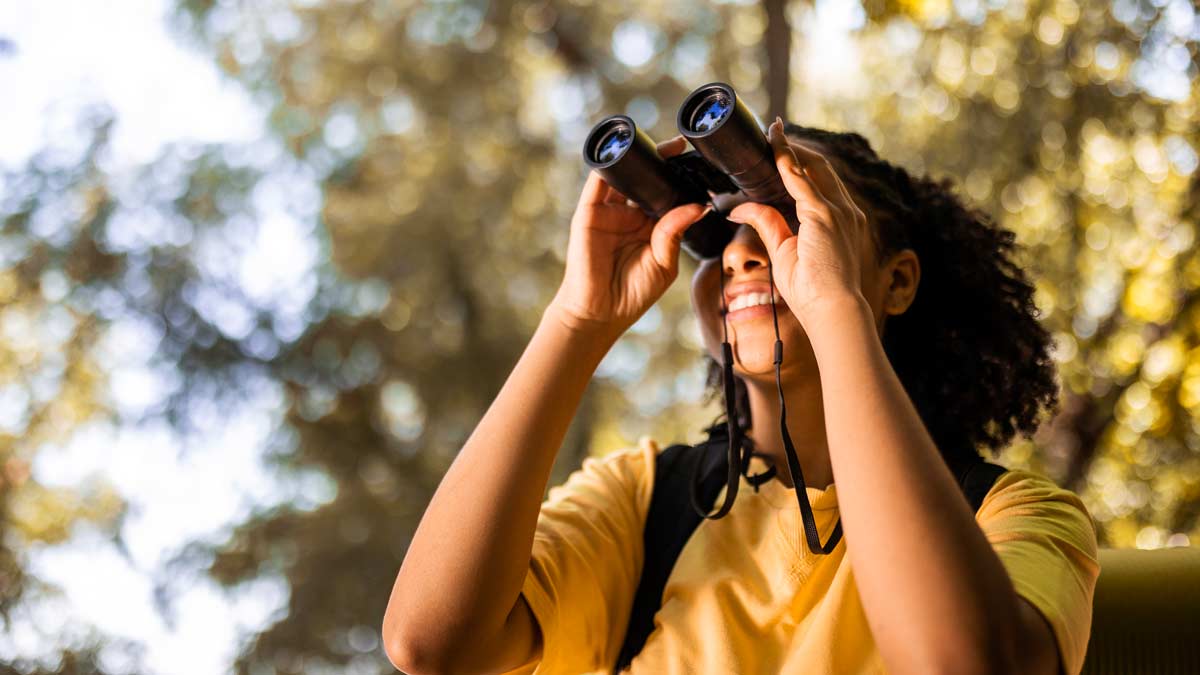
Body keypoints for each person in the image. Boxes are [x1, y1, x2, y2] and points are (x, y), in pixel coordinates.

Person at [382, 117, 1100, 675]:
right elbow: (430, 642)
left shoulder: (1015, 514)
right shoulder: (645, 497)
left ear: (898, 280)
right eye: (718, 232)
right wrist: (577, 321)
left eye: (786, 214)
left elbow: (963, 664)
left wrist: (836, 307)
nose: (741, 249)